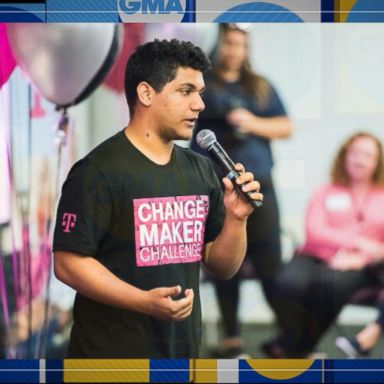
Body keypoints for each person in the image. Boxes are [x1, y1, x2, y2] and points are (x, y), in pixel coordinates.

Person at [52, 39, 262, 358]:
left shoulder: (201, 170)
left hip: (181, 353)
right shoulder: (97, 171)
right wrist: (143, 301)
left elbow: (222, 266)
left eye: (200, 93)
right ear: (146, 93)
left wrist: (237, 218)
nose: (199, 104)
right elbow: (68, 264)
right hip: (109, 359)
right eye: (185, 90)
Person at [190, 23, 292, 357]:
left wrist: (250, 122)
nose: (235, 51)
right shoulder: (202, 86)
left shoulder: (259, 87)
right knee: (224, 261)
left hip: (260, 184)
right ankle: (232, 337)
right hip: (215, 186)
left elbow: (285, 126)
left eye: (241, 45)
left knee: (270, 262)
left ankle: (287, 336)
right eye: (230, 43)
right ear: (220, 44)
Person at [266, 132, 384, 358]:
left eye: (367, 155)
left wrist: (362, 258)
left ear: (377, 161)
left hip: (362, 264)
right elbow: (315, 233)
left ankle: (289, 347)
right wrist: (357, 242)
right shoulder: (325, 191)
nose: (360, 159)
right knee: (286, 283)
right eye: (355, 153)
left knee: (329, 285)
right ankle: (300, 347)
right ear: (344, 157)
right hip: (315, 255)